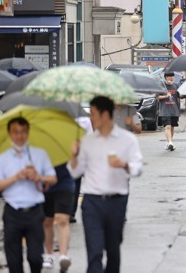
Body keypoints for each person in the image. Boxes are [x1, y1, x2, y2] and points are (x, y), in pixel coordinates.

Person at [68, 96, 143, 273]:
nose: (90, 118)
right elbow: (74, 173)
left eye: (93, 114)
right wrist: (73, 155)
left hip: (116, 201)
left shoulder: (127, 140)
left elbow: (138, 168)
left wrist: (124, 165)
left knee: (113, 250)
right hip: (91, 203)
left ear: (106, 114)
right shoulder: (87, 141)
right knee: (94, 250)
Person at [0, 117, 57, 273]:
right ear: (9, 134)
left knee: (35, 257)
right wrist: (15, 177)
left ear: (28, 133)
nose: (19, 136)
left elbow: (53, 178)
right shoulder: (2, 159)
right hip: (12, 212)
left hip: (34, 212)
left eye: (23, 132)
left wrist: (38, 177)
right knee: (14, 261)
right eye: (15, 132)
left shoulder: (39, 155)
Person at [42, 164, 74, 271]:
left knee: (62, 219)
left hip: (64, 184)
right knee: (47, 221)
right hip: (44, 185)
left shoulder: (64, 148)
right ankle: (49, 254)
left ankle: (63, 256)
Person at [70, 116, 94, 223]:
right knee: (72, 184)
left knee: (78, 183)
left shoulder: (84, 121)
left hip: (82, 156)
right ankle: (69, 212)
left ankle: (71, 212)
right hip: (67, 156)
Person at [157, 73, 180, 151]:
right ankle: (170, 142)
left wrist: (183, 94)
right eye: (169, 76)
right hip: (164, 110)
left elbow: (180, 96)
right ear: (166, 77)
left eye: (172, 76)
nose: (171, 78)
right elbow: (157, 97)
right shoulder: (161, 86)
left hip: (174, 110)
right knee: (167, 126)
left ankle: (169, 142)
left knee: (172, 127)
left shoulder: (176, 86)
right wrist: (166, 96)